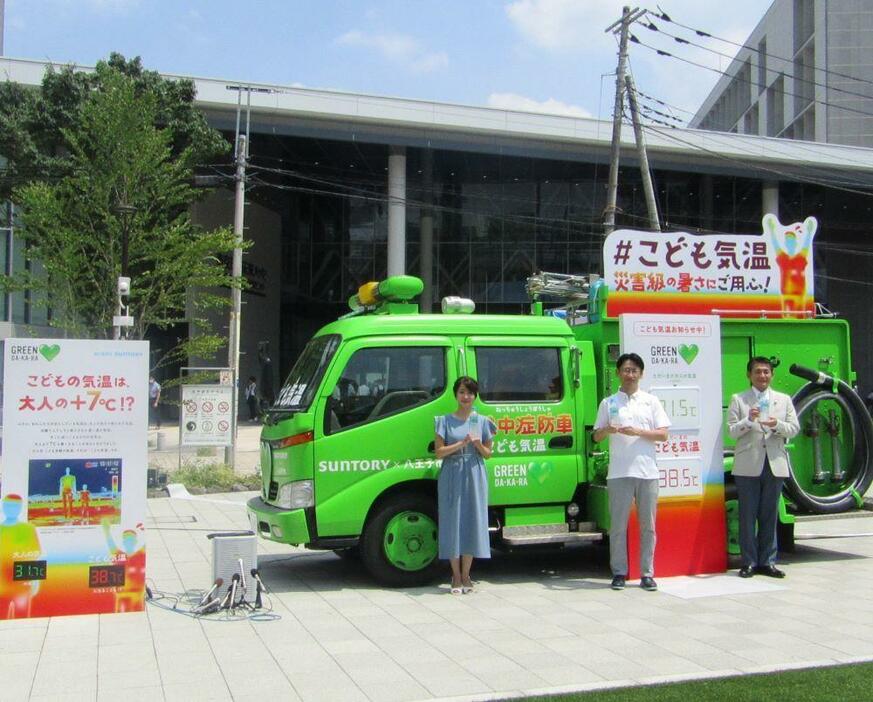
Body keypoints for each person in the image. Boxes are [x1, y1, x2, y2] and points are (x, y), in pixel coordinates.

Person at [593, 353, 670, 592]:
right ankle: (618, 572)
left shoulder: (651, 401)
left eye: (634, 370)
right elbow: (596, 436)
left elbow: (663, 434)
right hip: (619, 472)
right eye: (626, 369)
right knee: (617, 526)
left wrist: (637, 431)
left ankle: (647, 573)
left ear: (641, 374)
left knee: (648, 525)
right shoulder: (608, 403)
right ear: (618, 372)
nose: (630, 374)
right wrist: (607, 429)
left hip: (648, 471)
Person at [727, 357, 800, 579]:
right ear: (749, 375)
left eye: (766, 372)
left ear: (772, 375)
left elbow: (794, 428)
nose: (762, 376)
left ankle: (767, 561)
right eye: (758, 372)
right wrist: (748, 421)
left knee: (769, 514)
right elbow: (731, 431)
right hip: (748, 464)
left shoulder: (783, 400)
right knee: (747, 515)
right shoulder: (739, 399)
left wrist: (776, 425)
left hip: (774, 463)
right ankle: (748, 561)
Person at [434, 376, 494, 594]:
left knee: (471, 520)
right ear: (455, 394)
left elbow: (488, 454)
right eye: (461, 392)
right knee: (452, 521)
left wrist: (477, 443)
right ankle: (455, 576)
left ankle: (467, 574)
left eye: (469, 392)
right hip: (452, 471)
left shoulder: (482, 421)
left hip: (474, 471)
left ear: (475, 395)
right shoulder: (445, 421)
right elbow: (439, 452)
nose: (465, 396)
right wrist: (461, 443)